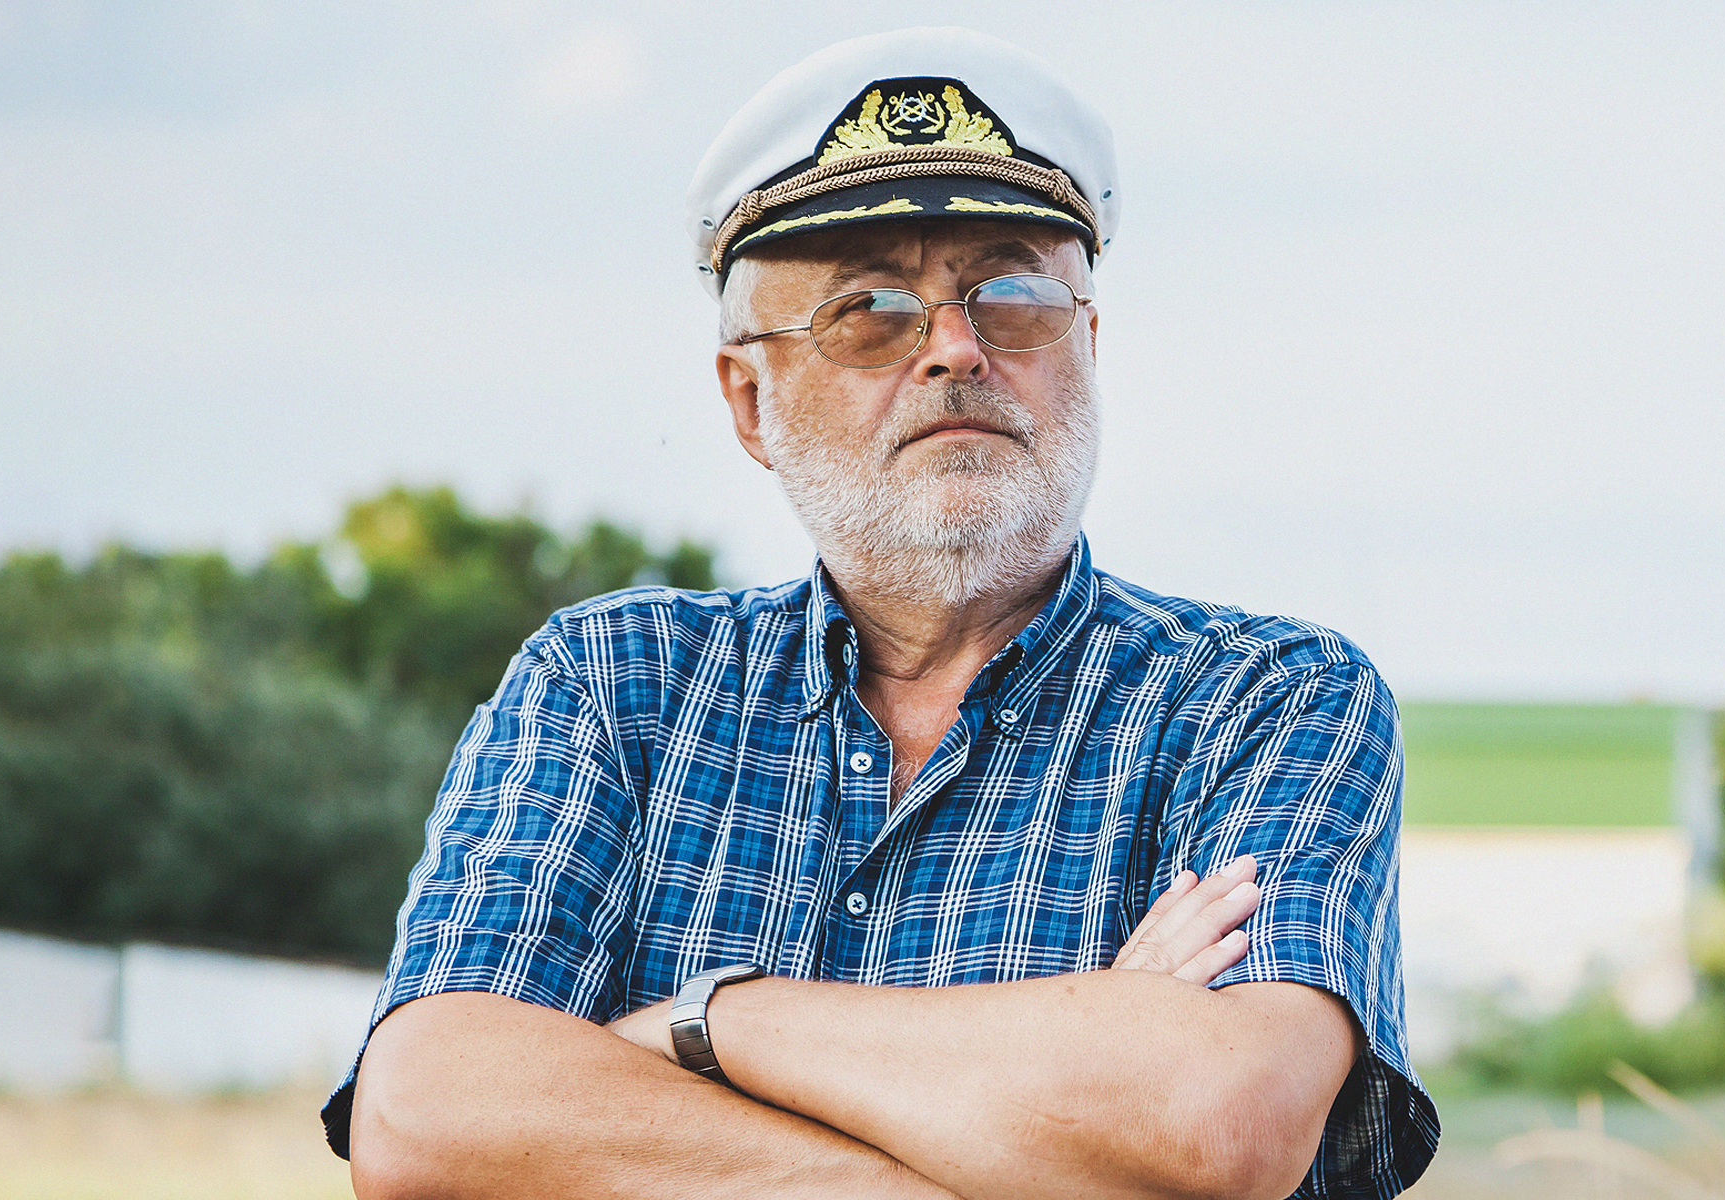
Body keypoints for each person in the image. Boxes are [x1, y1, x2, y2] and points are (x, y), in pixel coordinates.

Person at [327, 27, 1438, 1200]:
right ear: (749, 401)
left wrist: (705, 1026)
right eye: (869, 312)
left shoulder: (1267, 700)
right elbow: (429, 1117)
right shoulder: (612, 683)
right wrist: (1045, 1111)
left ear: (1089, 345)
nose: (956, 349)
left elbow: (1216, 1127)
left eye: (1012, 295)